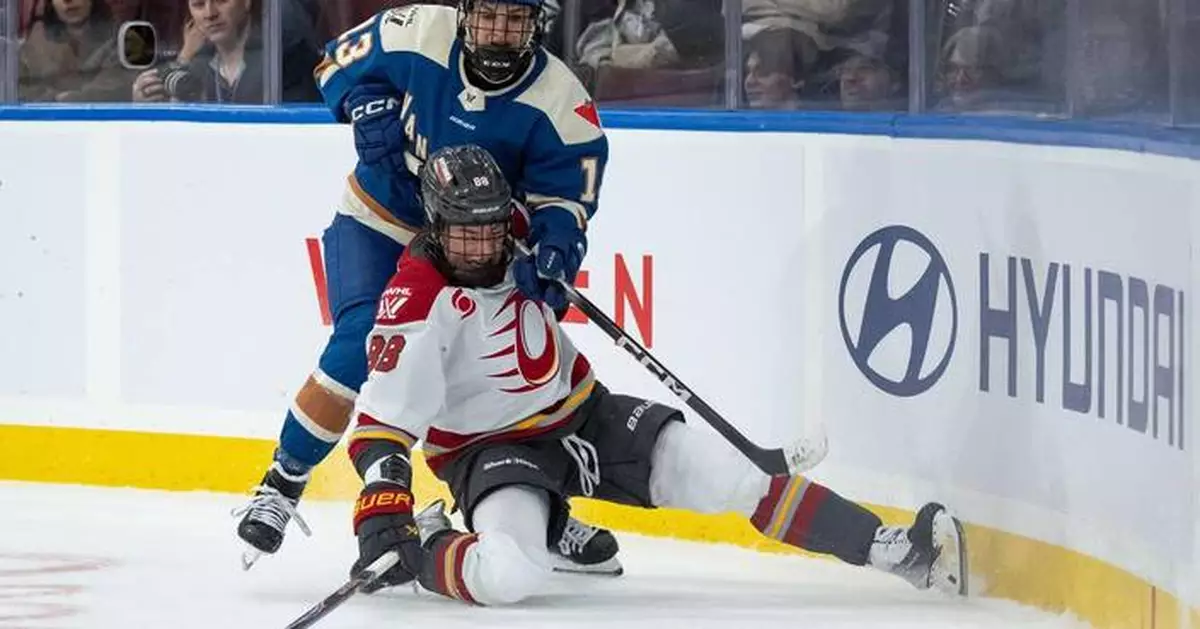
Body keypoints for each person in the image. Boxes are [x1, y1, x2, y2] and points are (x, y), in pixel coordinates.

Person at [344, 144, 970, 606]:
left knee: (736, 477)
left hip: (585, 414)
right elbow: (379, 425)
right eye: (466, 235)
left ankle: (894, 548)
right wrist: (381, 513)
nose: (484, 247)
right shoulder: (415, 305)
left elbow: (565, 204)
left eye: (491, 229)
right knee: (509, 578)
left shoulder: (517, 235)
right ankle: (430, 546)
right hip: (493, 450)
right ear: (435, 224)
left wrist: (561, 243)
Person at [232, 0, 619, 575]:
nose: (498, 32)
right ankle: (282, 483)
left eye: (515, 19)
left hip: (473, 250)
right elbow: (332, 65)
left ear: (538, 23)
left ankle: (542, 513)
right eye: (487, 14)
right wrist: (362, 102)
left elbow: (565, 199)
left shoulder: (562, 102)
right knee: (360, 342)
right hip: (380, 224)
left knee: (508, 372)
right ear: (464, 12)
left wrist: (557, 241)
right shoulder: (413, 30)